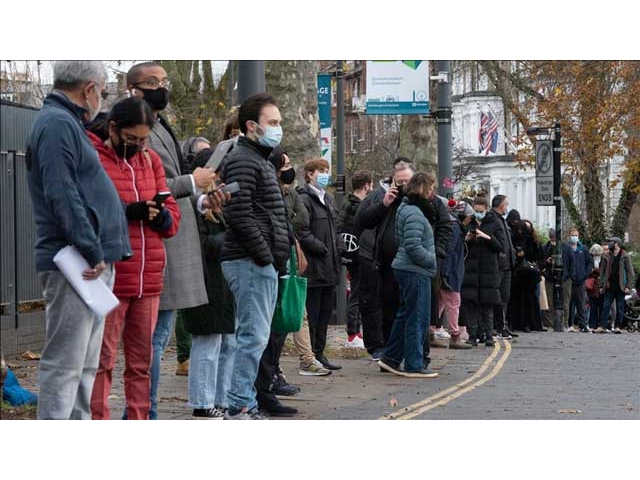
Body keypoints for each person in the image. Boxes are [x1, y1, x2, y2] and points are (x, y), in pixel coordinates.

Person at [26, 61, 131, 419]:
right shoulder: (57, 124)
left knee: (84, 365)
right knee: (66, 365)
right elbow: (63, 193)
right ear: (89, 88)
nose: (102, 99)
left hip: (86, 259)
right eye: (102, 91)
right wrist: (90, 246)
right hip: (77, 261)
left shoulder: (64, 123)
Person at [126, 62, 224, 418]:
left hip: (173, 240)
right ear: (133, 89)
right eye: (153, 82)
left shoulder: (159, 123)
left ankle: (144, 411)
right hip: (159, 246)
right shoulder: (138, 130)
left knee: (158, 338)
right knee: (150, 341)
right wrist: (193, 182)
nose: (162, 88)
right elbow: (153, 186)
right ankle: (144, 413)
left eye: (164, 81)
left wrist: (200, 198)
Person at [87, 97, 181, 420]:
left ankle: (139, 419)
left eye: (144, 140)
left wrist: (162, 219)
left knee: (142, 362)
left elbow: (172, 212)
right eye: (132, 139)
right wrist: (128, 212)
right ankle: (98, 419)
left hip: (149, 276)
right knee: (103, 360)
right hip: (113, 275)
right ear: (113, 129)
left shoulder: (151, 160)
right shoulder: (95, 159)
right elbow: (90, 214)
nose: (139, 146)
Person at [219, 93, 290, 420]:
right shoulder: (245, 160)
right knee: (251, 338)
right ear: (251, 126)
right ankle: (239, 406)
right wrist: (265, 255)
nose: (278, 128)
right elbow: (240, 214)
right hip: (249, 261)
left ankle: (242, 403)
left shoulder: (257, 159)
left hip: (257, 261)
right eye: (272, 123)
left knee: (252, 337)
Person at [180, 148, 236, 418]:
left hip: (220, 283)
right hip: (205, 282)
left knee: (226, 344)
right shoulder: (192, 205)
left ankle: (221, 398)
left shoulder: (214, 206)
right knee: (207, 344)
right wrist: (231, 236)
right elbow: (203, 246)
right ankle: (202, 402)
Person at [377, 172, 439, 378]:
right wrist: (431, 259)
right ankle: (414, 363)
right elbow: (413, 245)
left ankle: (391, 358)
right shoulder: (414, 212)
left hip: (406, 268)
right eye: (430, 188)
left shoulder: (406, 208)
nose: (432, 193)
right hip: (415, 270)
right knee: (417, 317)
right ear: (422, 188)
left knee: (405, 316)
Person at [354, 161, 415, 361]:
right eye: (400, 181)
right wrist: (383, 205)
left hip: (410, 264)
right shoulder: (380, 197)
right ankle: (382, 348)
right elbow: (361, 221)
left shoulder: (419, 201)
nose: (404, 185)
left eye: (408, 181)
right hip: (380, 262)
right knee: (379, 306)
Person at [297, 158, 345, 371]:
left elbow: (335, 227)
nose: (325, 174)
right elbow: (301, 230)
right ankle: (311, 355)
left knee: (325, 313)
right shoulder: (304, 199)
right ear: (309, 174)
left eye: (327, 170)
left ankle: (320, 352)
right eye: (321, 170)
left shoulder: (329, 199)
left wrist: (339, 247)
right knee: (313, 314)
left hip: (330, 266)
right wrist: (320, 247)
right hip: (314, 266)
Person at [461, 196, 505, 346]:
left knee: (487, 305)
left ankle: (488, 336)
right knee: (471, 304)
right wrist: (466, 239)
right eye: (476, 211)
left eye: (481, 211)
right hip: (471, 270)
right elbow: (460, 246)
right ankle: (472, 336)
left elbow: (501, 246)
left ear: (486, 210)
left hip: (488, 270)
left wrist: (487, 237)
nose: (478, 213)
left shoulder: (495, 223)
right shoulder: (469, 222)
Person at [338, 170, 374, 348]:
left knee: (356, 292)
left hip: (352, 254)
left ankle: (355, 332)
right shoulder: (359, 206)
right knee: (357, 294)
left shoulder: (347, 204)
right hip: (360, 254)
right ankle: (353, 333)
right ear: (366, 185)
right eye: (371, 185)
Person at [439, 201, 473, 349]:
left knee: (440, 302)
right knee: (454, 302)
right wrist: (446, 274)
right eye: (469, 216)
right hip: (451, 272)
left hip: (448, 271)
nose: (470, 219)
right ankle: (455, 335)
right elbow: (450, 252)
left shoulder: (454, 227)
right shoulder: (454, 228)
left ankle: (431, 331)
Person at [508, 220, 544, 332]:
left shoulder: (530, 241)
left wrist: (524, 254)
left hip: (527, 276)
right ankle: (521, 323)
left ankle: (527, 323)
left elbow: (537, 255)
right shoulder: (515, 239)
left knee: (528, 300)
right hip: (520, 276)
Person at [491, 195, 518, 339]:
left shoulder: (502, 220)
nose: (507, 207)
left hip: (507, 264)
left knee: (505, 297)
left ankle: (503, 326)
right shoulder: (493, 219)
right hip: (499, 264)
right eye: (506, 204)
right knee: (498, 297)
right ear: (500, 205)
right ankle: (498, 327)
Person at [598, 237, 635, 333]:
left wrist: (628, 287)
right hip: (609, 285)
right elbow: (601, 273)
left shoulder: (625, 256)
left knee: (620, 307)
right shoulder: (606, 256)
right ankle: (602, 326)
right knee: (606, 306)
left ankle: (618, 327)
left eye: (611, 242)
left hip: (620, 286)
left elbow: (630, 272)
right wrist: (601, 285)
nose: (609, 243)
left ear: (616, 243)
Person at [562, 227, 594, 332]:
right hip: (569, 279)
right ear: (569, 236)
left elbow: (589, 262)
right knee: (569, 303)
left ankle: (583, 324)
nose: (574, 237)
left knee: (581, 303)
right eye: (573, 235)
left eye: (576, 235)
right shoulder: (566, 248)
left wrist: (586, 274)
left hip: (580, 279)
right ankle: (569, 324)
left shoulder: (583, 249)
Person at [541, 228, 558, 328]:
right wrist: (546, 261)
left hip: (560, 277)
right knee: (548, 301)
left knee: (559, 302)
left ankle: (558, 322)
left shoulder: (563, 247)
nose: (553, 239)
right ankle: (548, 323)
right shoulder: (545, 247)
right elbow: (541, 260)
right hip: (548, 276)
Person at [587, 244, 604, 331]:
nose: (597, 255)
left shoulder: (604, 259)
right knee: (593, 306)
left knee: (601, 305)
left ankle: (601, 325)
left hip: (601, 285)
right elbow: (588, 271)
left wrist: (595, 270)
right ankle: (592, 324)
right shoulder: (590, 259)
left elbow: (604, 271)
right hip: (592, 285)